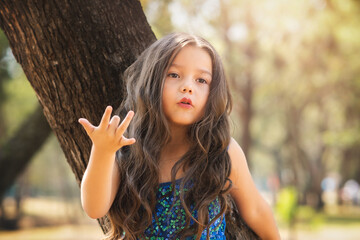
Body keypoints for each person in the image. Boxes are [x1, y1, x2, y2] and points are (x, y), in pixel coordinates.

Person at [79, 32, 280, 240]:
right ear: (152, 81)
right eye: (174, 75)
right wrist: (103, 151)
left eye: (201, 80)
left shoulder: (221, 151)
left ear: (213, 94)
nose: (188, 87)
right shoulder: (128, 147)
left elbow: (256, 210)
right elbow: (94, 208)